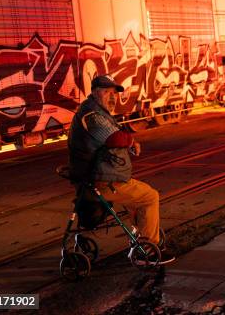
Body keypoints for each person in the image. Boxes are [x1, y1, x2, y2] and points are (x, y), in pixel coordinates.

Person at [68, 74, 174, 264]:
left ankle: (141, 241)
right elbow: (114, 138)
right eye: (107, 92)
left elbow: (115, 136)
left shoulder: (97, 112)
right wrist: (131, 140)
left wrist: (128, 141)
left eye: (114, 93)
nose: (112, 97)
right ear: (94, 93)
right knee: (150, 197)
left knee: (137, 201)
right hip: (102, 180)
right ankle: (146, 252)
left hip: (103, 176)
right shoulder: (91, 115)